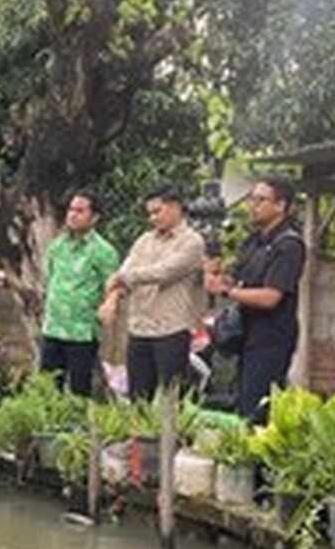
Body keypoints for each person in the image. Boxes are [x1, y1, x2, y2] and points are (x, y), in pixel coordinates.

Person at [204, 176, 305, 425]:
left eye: (260, 200)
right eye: (252, 199)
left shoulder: (290, 245)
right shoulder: (254, 241)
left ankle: (255, 463)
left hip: (270, 340)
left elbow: (271, 297)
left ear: (281, 205)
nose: (253, 205)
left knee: (257, 411)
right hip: (245, 336)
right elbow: (238, 281)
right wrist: (215, 274)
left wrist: (226, 292)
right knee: (240, 405)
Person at [107, 187, 205, 402]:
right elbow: (125, 273)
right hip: (139, 328)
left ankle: (172, 437)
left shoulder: (192, 242)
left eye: (157, 211)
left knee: (172, 398)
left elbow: (165, 271)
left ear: (175, 207)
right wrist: (115, 294)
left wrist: (125, 276)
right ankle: (139, 436)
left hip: (171, 329)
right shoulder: (144, 240)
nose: (153, 218)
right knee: (138, 397)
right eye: (149, 213)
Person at [40, 190, 119, 397]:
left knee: (79, 392)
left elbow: (113, 287)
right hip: (53, 328)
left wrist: (108, 306)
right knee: (46, 389)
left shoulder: (104, 252)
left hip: (81, 332)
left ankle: (76, 427)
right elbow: (50, 277)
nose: (73, 215)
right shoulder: (57, 246)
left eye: (80, 211)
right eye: (71, 209)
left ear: (94, 218)